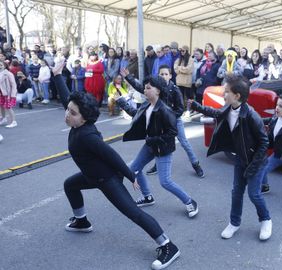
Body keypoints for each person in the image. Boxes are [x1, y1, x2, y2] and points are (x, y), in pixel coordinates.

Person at [51, 61, 180, 270]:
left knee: (133, 213)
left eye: (72, 113)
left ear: (84, 119)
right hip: (91, 175)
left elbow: (112, 156)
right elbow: (68, 98)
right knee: (70, 185)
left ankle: (168, 245)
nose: (67, 114)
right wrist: (57, 75)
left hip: (107, 179)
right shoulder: (78, 121)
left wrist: (131, 176)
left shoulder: (88, 136)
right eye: (68, 110)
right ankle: (82, 221)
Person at [188, 75, 272, 241]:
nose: (223, 94)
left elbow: (264, 143)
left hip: (256, 162)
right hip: (241, 159)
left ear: (237, 96)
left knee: (254, 194)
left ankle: (266, 220)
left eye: (226, 92)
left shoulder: (251, 115)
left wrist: (253, 167)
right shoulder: (228, 109)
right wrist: (196, 106)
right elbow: (215, 112)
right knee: (236, 193)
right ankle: (234, 223)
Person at [116, 70, 200, 216]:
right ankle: (147, 196)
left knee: (165, 181)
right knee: (134, 169)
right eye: (145, 88)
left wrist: (153, 139)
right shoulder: (146, 105)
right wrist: (121, 102)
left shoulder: (165, 110)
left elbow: (172, 133)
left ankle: (190, 202)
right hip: (150, 145)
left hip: (163, 148)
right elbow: (135, 114)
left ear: (158, 91)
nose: (145, 90)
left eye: (148, 88)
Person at [130, 65, 205, 179]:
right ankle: (157, 165)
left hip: (174, 120)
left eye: (166, 74)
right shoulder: (155, 88)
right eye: (161, 74)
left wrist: (169, 118)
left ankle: (196, 164)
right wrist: (128, 77)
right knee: (158, 142)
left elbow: (180, 109)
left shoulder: (175, 89)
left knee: (184, 143)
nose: (164, 76)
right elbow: (141, 88)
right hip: (160, 121)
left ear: (170, 76)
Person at [0, 60, 17, 127]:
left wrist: (13, 94)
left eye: (1, 65)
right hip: (1, 93)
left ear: (4, 66)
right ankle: (3, 118)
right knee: (1, 106)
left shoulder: (8, 74)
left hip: (8, 94)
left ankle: (14, 121)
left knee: (8, 107)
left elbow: (13, 84)